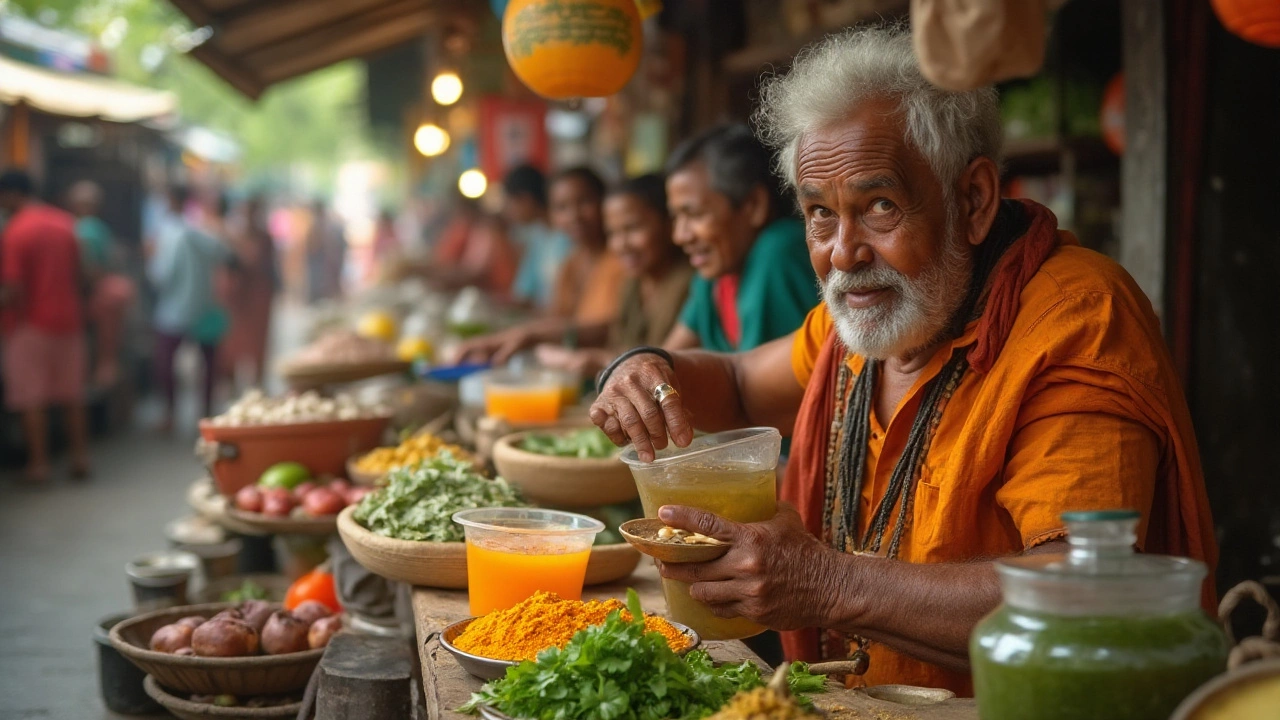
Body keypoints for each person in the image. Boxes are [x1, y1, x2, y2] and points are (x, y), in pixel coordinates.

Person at [587, 26, 1215, 696]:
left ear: (972, 200)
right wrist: (643, 368)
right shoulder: (860, 323)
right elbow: (740, 384)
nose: (844, 253)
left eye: (879, 206)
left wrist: (827, 583)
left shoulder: (1078, 316)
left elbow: (1084, 590)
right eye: (820, 214)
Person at [456, 174, 693, 376]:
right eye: (614, 233)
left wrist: (589, 359)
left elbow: (661, 362)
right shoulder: (631, 281)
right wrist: (523, 336)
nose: (621, 244)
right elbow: (612, 334)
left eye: (633, 229)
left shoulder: (688, 284)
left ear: (668, 224)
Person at [662, 124, 818, 353]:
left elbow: (758, 384)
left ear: (753, 205)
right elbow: (667, 358)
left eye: (695, 215)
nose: (679, 236)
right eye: (676, 217)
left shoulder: (778, 251)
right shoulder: (715, 275)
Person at [455, 168, 627, 364]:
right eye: (562, 208)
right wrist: (500, 339)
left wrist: (531, 335)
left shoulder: (621, 260)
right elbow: (556, 318)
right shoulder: (572, 262)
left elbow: (611, 328)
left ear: (605, 203)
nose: (574, 216)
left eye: (585, 202)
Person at [0, 169, 90, 480]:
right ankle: (80, 459)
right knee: (71, 395)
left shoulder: (16, 231)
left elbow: (12, 289)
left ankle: (39, 465)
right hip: (70, 322)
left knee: (31, 398)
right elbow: (84, 274)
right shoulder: (65, 223)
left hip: (29, 326)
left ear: (11, 194)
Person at [148, 184, 231, 431]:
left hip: (175, 310)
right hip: (203, 307)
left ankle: (170, 415)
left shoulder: (170, 233)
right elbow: (225, 255)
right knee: (207, 362)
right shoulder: (201, 231)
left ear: (171, 200)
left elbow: (162, 274)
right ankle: (204, 414)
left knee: (166, 362)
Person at [67, 180, 135, 388]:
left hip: (99, 294)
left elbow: (91, 266)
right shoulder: (97, 227)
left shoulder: (85, 228)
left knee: (102, 345)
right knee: (110, 345)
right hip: (107, 292)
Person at [219, 195, 277, 389]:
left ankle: (257, 386)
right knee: (232, 346)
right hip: (238, 300)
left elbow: (266, 266)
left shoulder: (263, 238)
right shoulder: (232, 237)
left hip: (258, 298)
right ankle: (232, 385)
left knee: (257, 347)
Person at [505, 164, 572, 310]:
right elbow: (523, 292)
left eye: (511, 203)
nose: (508, 211)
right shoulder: (538, 236)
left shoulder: (570, 236)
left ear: (526, 199)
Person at [428, 195, 519, 296]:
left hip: (499, 296)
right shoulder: (476, 231)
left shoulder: (489, 233)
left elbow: (477, 274)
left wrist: (442, 278)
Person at [305, 199, 346, 302]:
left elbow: (316, 244)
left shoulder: (321, 224)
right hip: (320, 264)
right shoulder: (321, 223)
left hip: (321, 264)